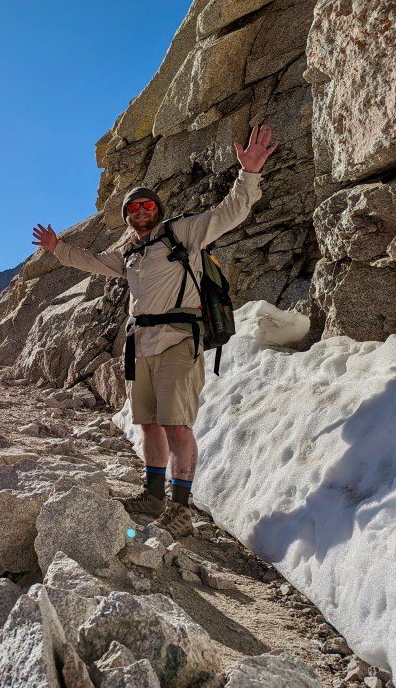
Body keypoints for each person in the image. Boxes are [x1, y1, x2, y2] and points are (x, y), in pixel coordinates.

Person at [31, 125, 278, 538]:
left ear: (157, 209)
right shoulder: (129, 252)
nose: (141, 210)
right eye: (133, 208)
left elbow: (230, 212)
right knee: (148, 424)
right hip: (140, 345)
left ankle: (180, 509)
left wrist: (248, 173)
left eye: (147, 205)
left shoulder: (182, 233)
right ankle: (152, 496)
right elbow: (92, 261)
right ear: (128, 217)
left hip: (180, 340)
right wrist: (58, 249)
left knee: (177, 425)